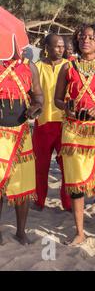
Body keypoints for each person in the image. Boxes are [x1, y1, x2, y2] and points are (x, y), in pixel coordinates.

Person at [54, 23, 95, 245]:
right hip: (73, 131)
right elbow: (57, 99)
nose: (86, 40)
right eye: (82, 36)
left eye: (91, 37)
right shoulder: (67, 67)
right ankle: (80, 232)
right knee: (76, 183)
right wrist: (67, 107)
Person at [0, 43, 44, 245]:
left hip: (21, 135)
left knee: (23, 185)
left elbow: (38, 96)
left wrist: (36, 107)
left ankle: (21, 231)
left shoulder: (30, 66)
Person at [32, 34, 71, 212]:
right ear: (46, 47)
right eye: (56, 46)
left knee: (67, 168)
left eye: (62, 46)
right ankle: (39, 201)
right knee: (40, 167)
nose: (60, 49)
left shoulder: (70, 67)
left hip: (65, 124)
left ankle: (68, 203)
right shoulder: (37, 67)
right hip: (43, 123)